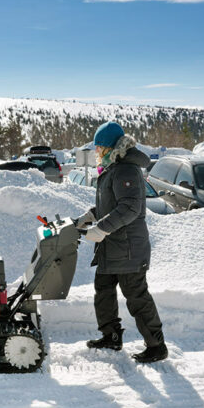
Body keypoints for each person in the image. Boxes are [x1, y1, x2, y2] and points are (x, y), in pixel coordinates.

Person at [75, 121, 168, 363]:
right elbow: (113, 204)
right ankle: (111, 336)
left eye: (100, 148)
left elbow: (129, 208)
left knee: (137, 297)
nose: (97, 152)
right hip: (112, 245)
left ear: (111, 148)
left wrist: (102, 229)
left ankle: (157, 346)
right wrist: (91, 216)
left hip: (128, 248)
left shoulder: (126, 170)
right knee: (103, 291)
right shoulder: (113, 168)